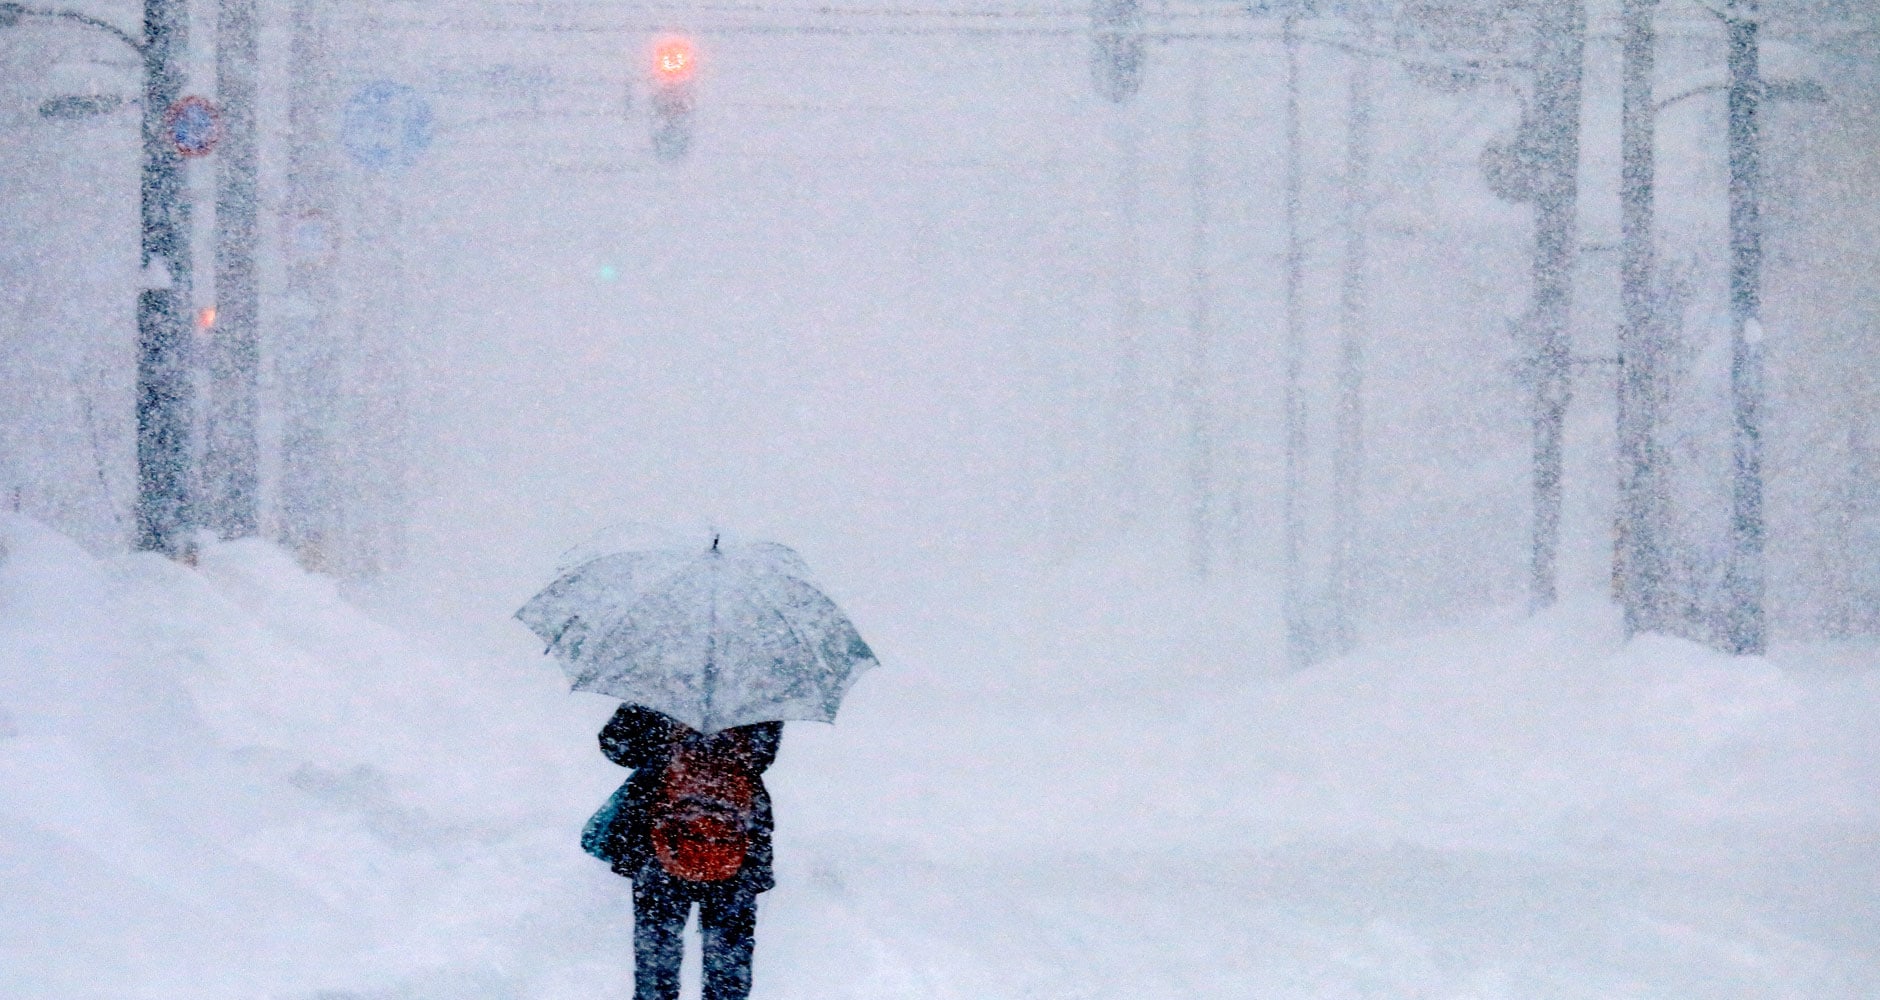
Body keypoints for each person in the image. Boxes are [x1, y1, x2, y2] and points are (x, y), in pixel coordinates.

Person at [599, 704, 782, 1000]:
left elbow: (618, 748)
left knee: (656, 951)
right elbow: (761, 756)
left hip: (662, 838)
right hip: (734, 837)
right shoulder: (757, 691)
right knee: (729, 953)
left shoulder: (661, 682)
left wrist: (664, 732)